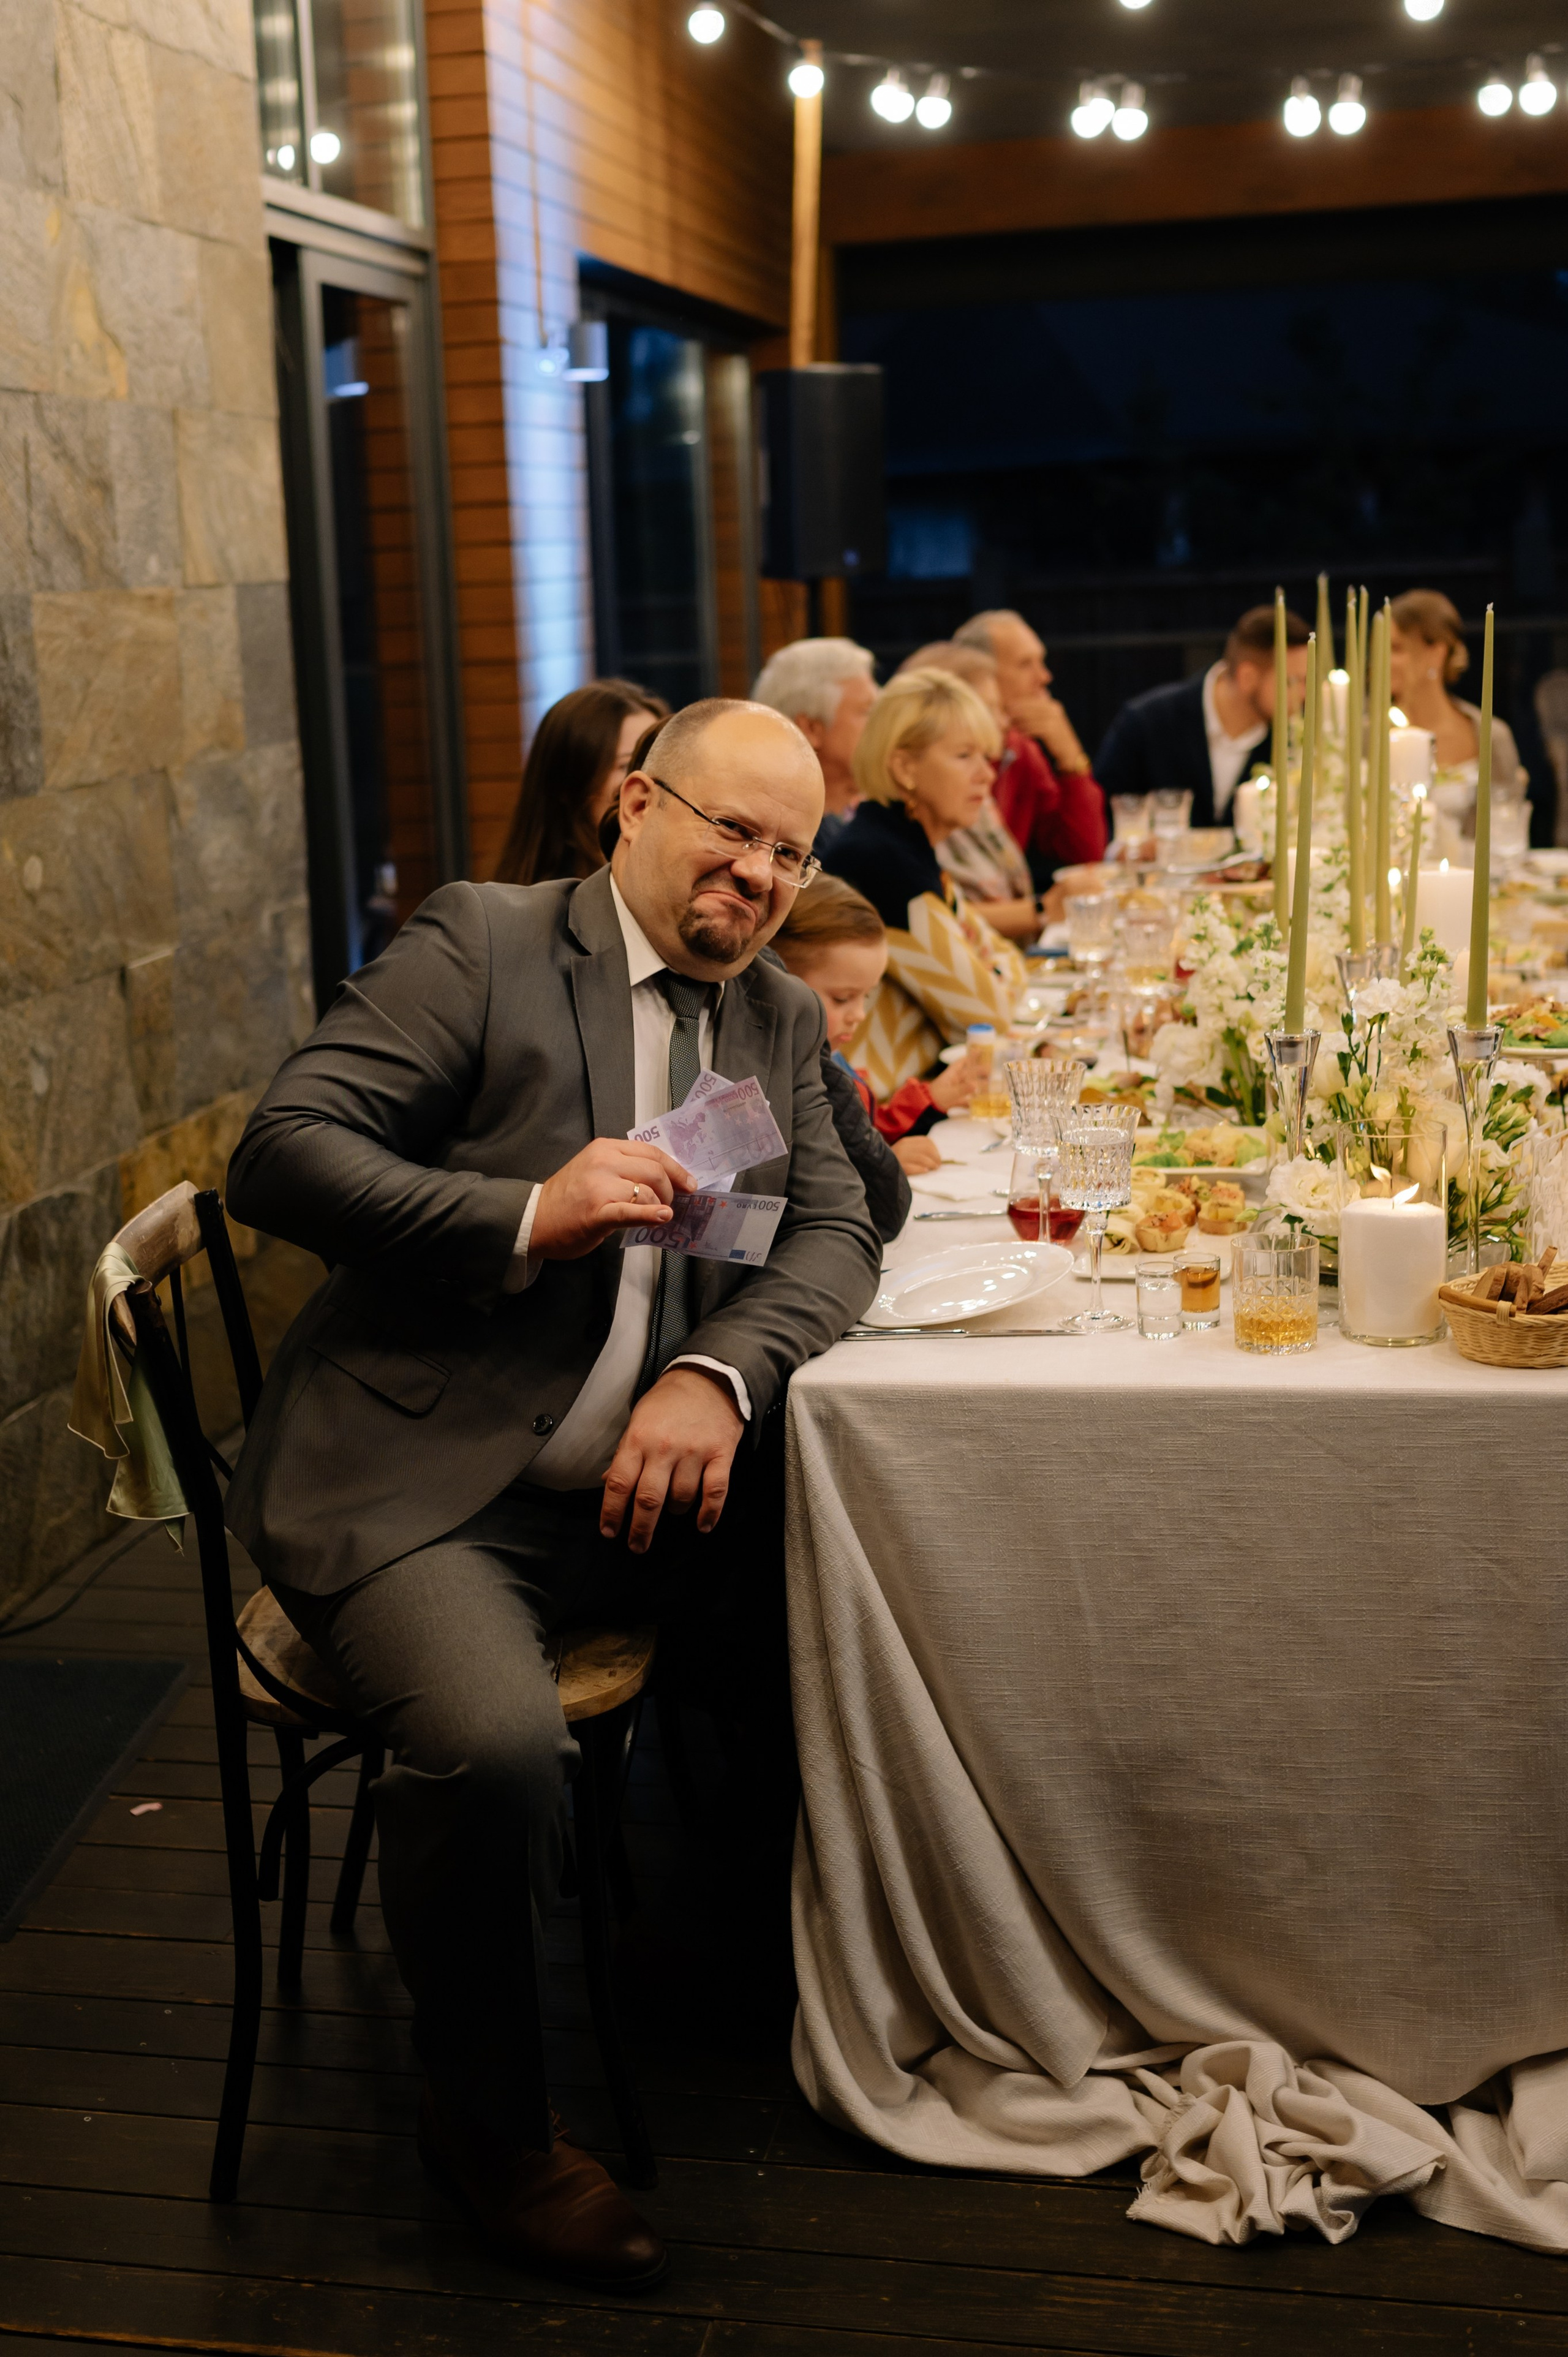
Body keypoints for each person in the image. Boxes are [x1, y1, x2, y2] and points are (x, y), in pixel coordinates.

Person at [222, 698, 881, 2293]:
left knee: (869, 1613)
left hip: (648, 1494)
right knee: (499, 1742)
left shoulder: (774, 1017)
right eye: (734, 831)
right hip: (433, 1479)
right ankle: (492, 2133)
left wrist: (714, 1377)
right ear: (635, 806)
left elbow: (839, 1232)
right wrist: (524, 1209)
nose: (762, 875)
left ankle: (756, 1987)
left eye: (792, 853)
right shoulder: (490, 948)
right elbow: (281, 1155)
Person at [823, 667, 1026, 1096]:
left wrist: (990, 970)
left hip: (905, 1100)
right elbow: (991, 1013)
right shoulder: (883, 863)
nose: (987, 775)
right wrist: (990, 971)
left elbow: (1005, 962)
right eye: (964, 755)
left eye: (986, 756)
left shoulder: (904, 848)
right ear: (905, 767)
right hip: (874, 1115)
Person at [775, 878, 986, 1172]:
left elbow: (864, 1135)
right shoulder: (777, 1089)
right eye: (843, 998)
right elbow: (815, 1182)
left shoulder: (831, 1062)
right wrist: (882, 1169)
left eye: (866, 996)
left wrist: (928, 1100)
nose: (859, 1014)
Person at [1094, 605, 1310, 827]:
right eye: (1292, 682)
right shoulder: (1149, 722)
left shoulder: (1293, 739)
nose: (1303, 694)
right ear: (1248, 677)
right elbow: (1099, 819)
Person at [897, 641, 1041, 943]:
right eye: (964, 754)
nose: (1004, 721)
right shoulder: (890, 850)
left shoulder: (962, 805)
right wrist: (1045, 910)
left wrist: (1073, 762)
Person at [952, 609, 1108, 884]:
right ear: (981, 676)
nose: (1045, 677)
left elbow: (1085, 854)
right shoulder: (944, 756)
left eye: (1042, 662)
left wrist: (1070, 756)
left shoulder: (1021, 749)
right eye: (1026, 664)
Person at [493, 679, 668, 885]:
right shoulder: (551, 909)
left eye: (657, 759)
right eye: (628, 766)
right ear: (570, 784)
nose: (651, 781)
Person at [1390, 589, 1523, 834]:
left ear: (1436, 653)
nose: (1382, 660)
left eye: (1396, 648)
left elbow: (1509, 825)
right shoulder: (1369, 735)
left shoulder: (1490, 736)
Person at [750, 637, 878, 858]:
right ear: (811, 728)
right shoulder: (785, 845)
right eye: (866, 711)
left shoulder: (877, 816)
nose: (881, 724)